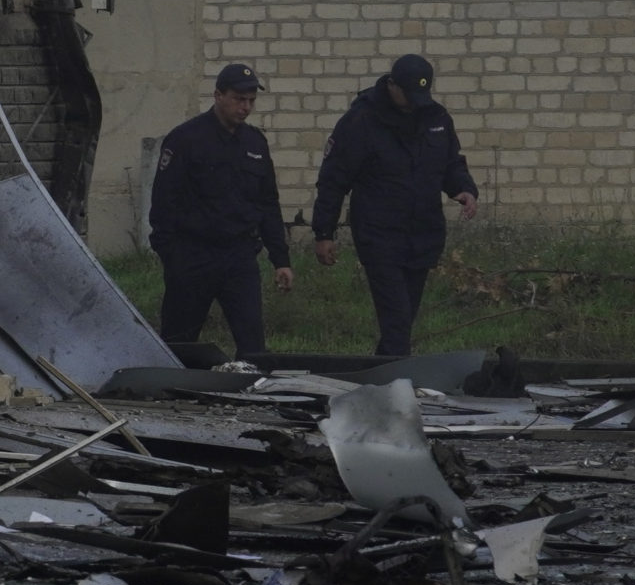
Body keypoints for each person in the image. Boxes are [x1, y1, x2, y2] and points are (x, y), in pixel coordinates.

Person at [311, 53, 480, 358]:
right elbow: (333, 179)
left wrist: (464, 189)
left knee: (401, 322)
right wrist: (324, 232)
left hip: (423, 234)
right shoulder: (361, 120)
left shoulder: (436, 118)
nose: (414, 103)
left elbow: (450, 163)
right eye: (409, 95)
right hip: (379, 236)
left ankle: (379, 379)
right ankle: (396, 388)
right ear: (392, 85)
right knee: (397, 320)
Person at [149, 63, 294, 358]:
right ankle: (172, 391)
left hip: (239, 256)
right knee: (179, 341)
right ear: (218, 96)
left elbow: (267, 203)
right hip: (193, 255)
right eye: (239, 99)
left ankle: (250, 397)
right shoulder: (186, 139)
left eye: (251, 101)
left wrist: (280, 259)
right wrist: (172, 256)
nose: (245, 107)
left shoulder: (255, 143)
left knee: (253, 344)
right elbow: (164, 202)